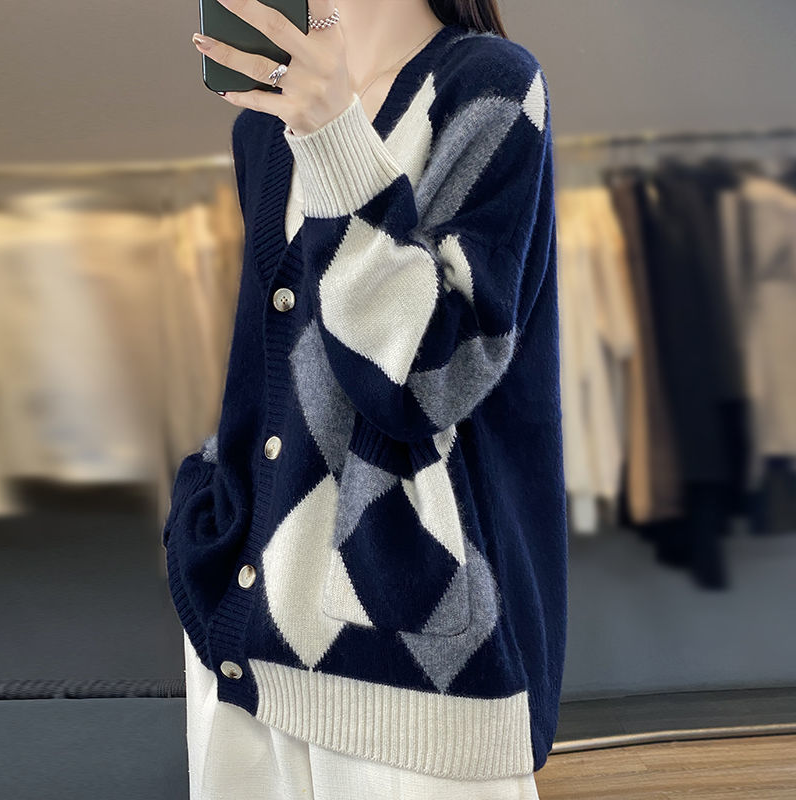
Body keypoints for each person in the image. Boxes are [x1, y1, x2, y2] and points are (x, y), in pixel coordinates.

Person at [169, 0, 567, 796]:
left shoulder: (490, 88)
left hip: (417, 657)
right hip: (244, 630)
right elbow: (269, 370)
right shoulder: (265, 124)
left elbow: (427, 380)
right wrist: (205, 513)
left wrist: (335, 136)